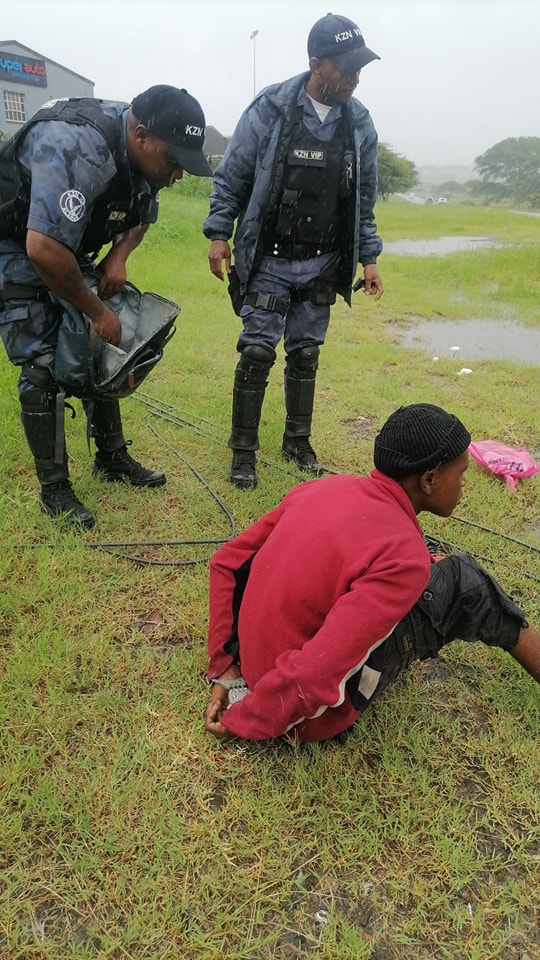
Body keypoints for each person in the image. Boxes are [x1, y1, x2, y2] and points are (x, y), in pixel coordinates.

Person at [205, 403, 540, 743]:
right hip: (302, 715)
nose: (464, 484)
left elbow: (227, 562)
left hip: (255, 669)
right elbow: (315, 675)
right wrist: (244, 718)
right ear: (429, 480)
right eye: (460, 473)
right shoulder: (403, 557)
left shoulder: (322, 487)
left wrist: (227, 668)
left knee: (419, 569)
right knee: (466, 581)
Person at [0, 84, 212, 529]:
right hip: (17, 241)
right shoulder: (75, 145)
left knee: (102, 348)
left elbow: (142, 215)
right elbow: (42, 249)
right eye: (173, 161)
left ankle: (111, 458)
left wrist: (118, 256)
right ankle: (54, 489)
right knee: (42, 361)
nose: (177, 174)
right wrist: (96, 310)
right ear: (139, 135)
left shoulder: (145, 158)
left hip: (64, 239)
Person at [204, 12, 384, 490]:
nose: (354, 77)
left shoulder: (359, 122)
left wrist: (369, 259)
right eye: (344, 67)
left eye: (359, 67)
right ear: (315, 64)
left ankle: (297, 441)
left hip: (323, 259)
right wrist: (219, 233)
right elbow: (233, 176)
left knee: (305, 353)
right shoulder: (271, 108)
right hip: (269, 258)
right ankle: (243, 452)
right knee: (258, 351)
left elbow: (364, 200)